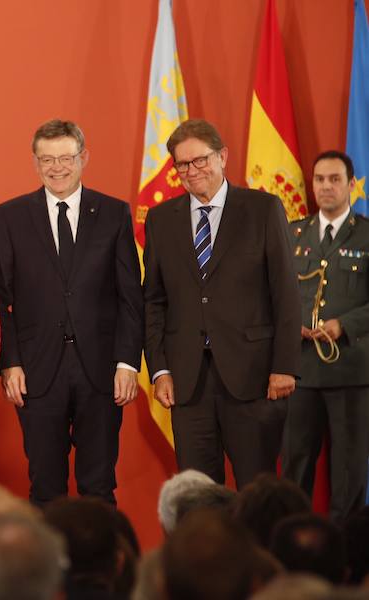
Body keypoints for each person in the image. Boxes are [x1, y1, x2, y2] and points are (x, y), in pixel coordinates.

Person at [0, 119, 143, 506]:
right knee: (45, 486)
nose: (56, 167)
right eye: (47, 159)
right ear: (35, 163)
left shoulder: (113, 213)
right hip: (36, 372)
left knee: (99, 485)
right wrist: (10, 363)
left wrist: (127, 362)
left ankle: (101, 567)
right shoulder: (10, 216)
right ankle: (49, 568)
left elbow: (130, 296)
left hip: (101, 370)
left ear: (83, 158)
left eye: (65, 158)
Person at [143, 118, 300, 486]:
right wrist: (161, 369)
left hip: (255, 378)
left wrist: (285, 366)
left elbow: (286, 293)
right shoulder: (161, 219)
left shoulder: (263, 209)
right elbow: (153, 300)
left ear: (222, 156)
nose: (192, 171)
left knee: (256, 491)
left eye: (200, 160)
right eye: (182, 164)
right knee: (197, 494)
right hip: (187, 382)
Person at [283, 150, 369, 523]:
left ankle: (346, 554)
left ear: (351, 185)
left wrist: (344, 324)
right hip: (300, 370)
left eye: (335, 179)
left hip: (350, 370)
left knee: (348, 470)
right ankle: (293, 544)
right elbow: (274, 293)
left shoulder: (366, 234)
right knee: (295, 464)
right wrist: (290, 324)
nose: (326, 186)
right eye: (319, 179)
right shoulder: (292, 233)